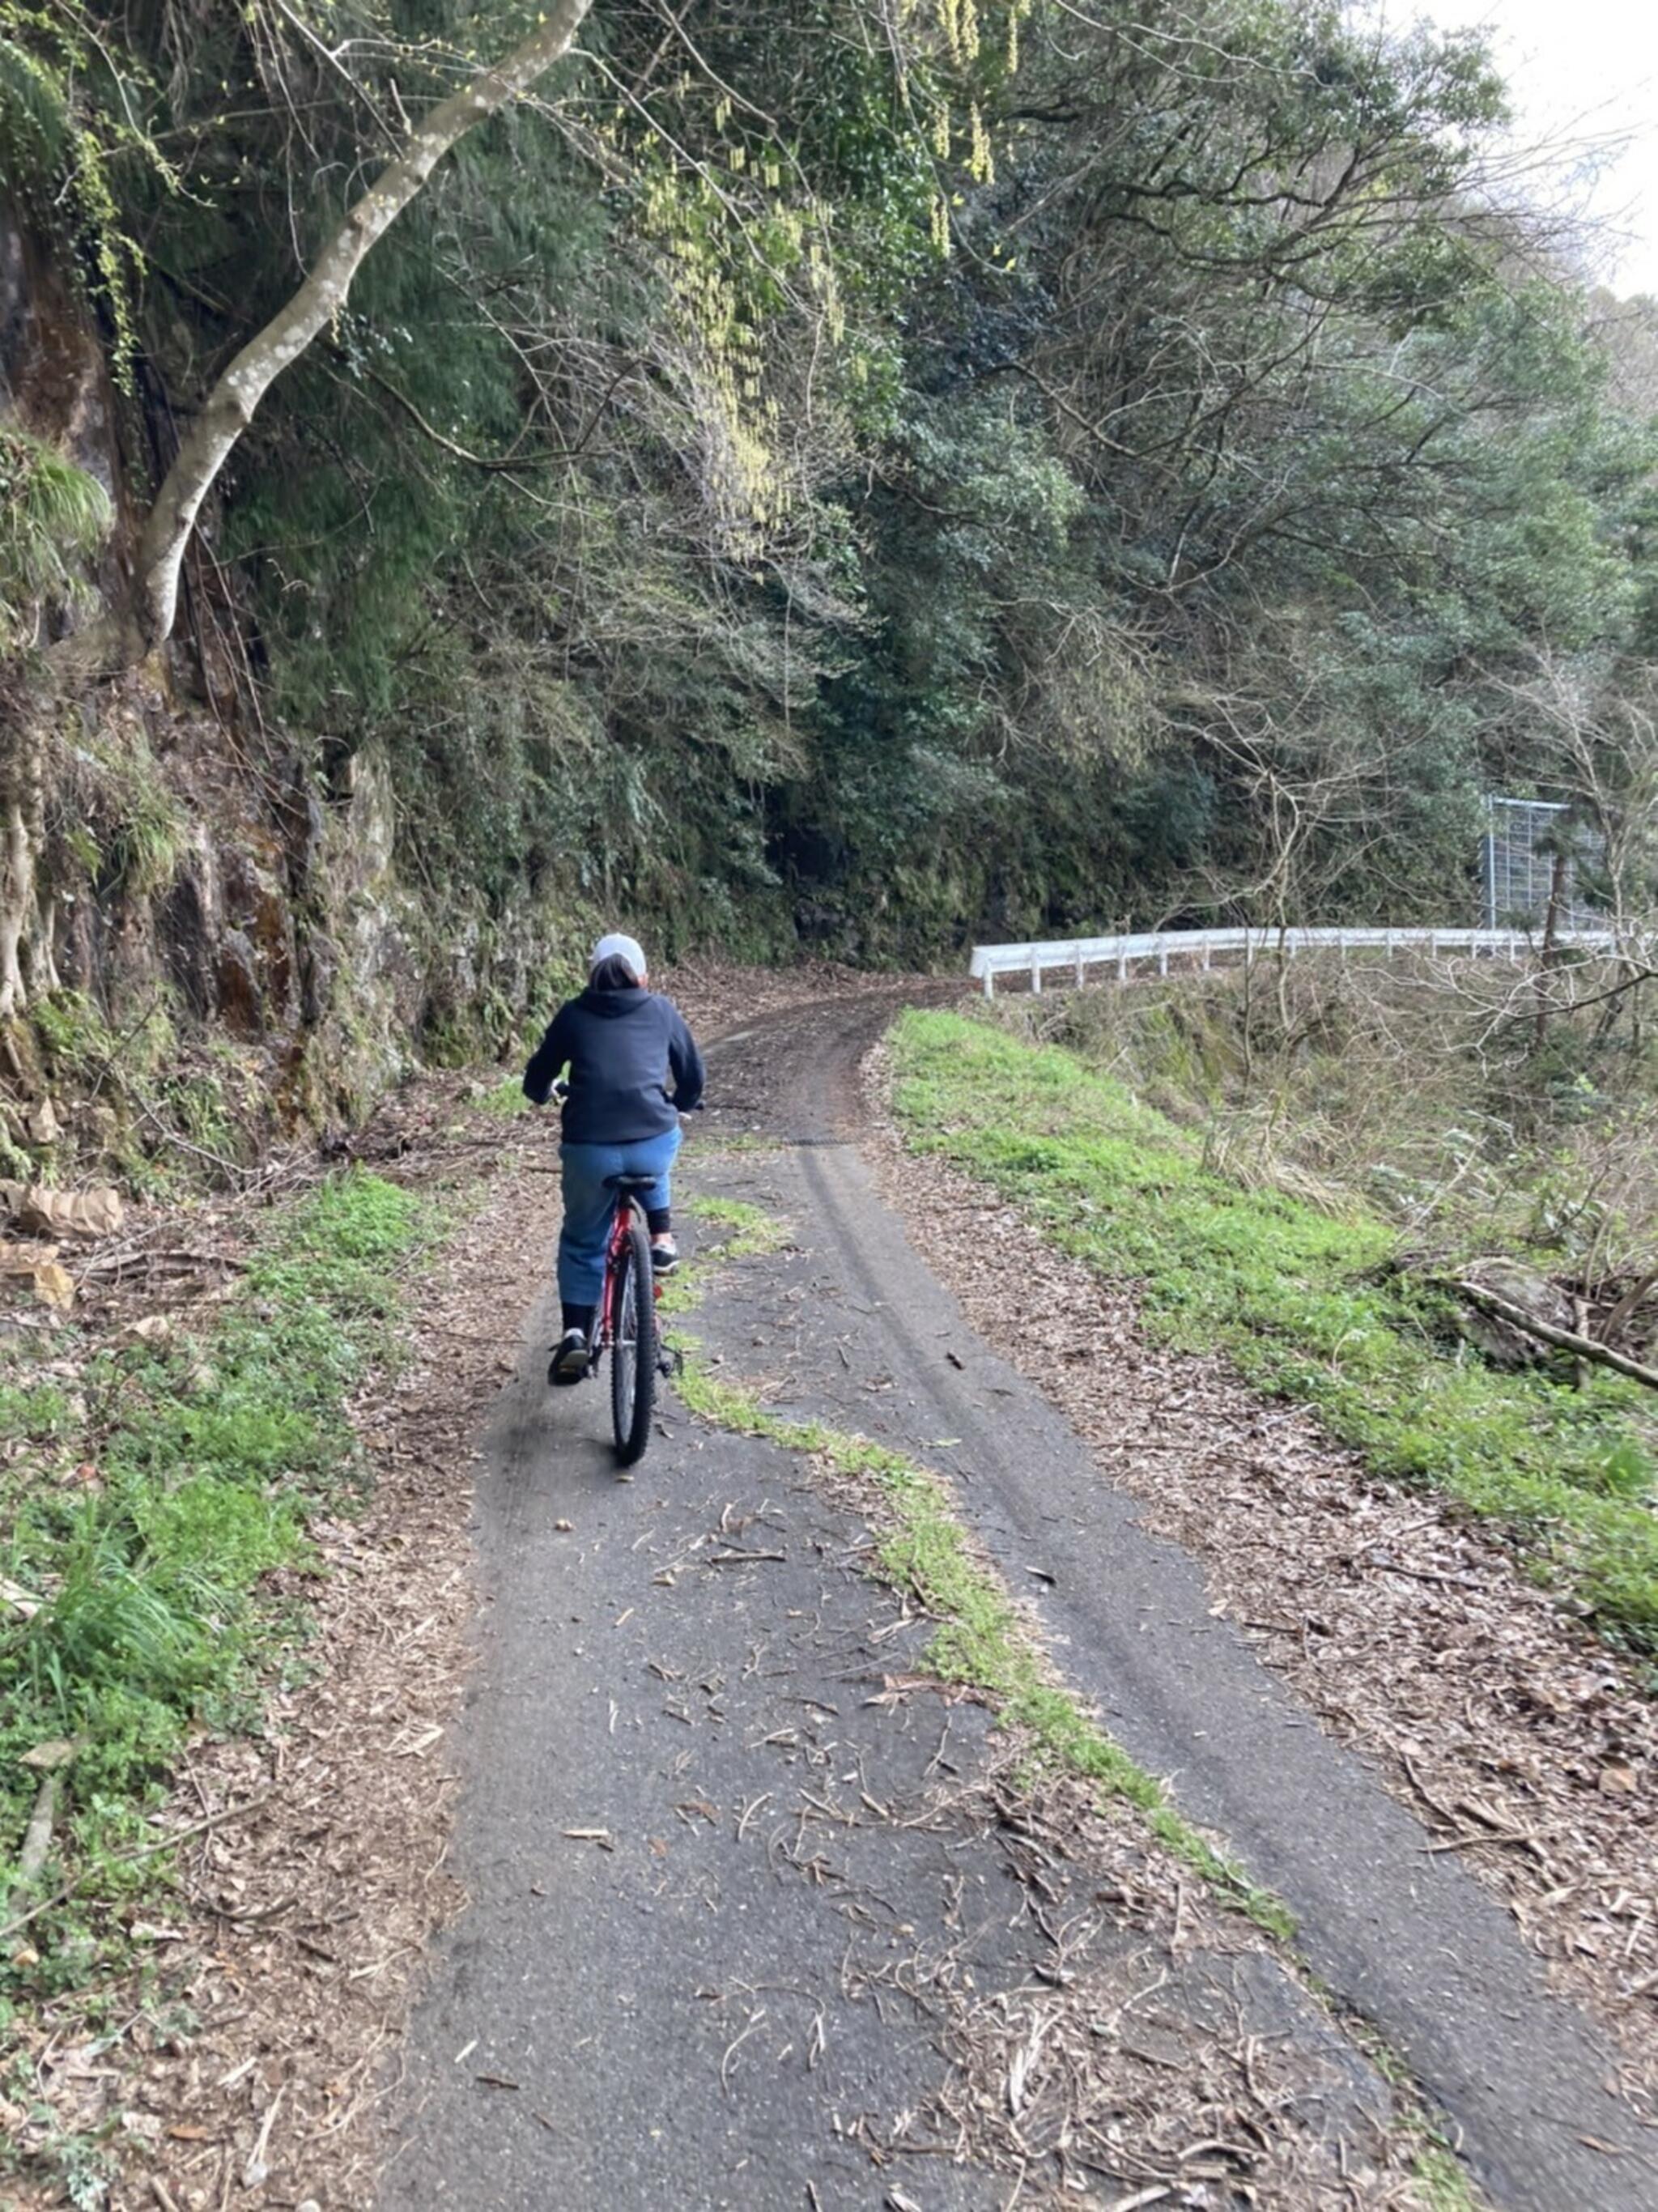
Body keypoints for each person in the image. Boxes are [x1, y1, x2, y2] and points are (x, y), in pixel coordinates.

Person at [523, 932, 705, 1385]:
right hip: (651, 1139)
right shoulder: (661, 1009)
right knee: (658, 1143)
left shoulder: (573, 1014)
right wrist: (679, 1103)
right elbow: (692, 1076)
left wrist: (546, 1091)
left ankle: (575, 1336)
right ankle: (661, 1239)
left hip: (590, 1148)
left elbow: (536, 1079)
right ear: (642, 975)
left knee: (584, 1241)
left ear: (592, 974)